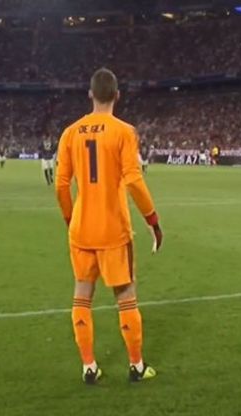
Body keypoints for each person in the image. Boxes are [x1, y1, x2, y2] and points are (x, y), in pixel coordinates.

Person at [55, 68, 164, 385]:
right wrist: (153, 221)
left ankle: (89, 367)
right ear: (117, 95)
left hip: (81, 230)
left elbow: (61, 185)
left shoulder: (70, 133)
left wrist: (69, 218)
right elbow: (134, 180)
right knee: (126, 297)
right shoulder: (124, 132)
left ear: (90, 95)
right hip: (114, 230)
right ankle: (136, 366)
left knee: (81, 297)